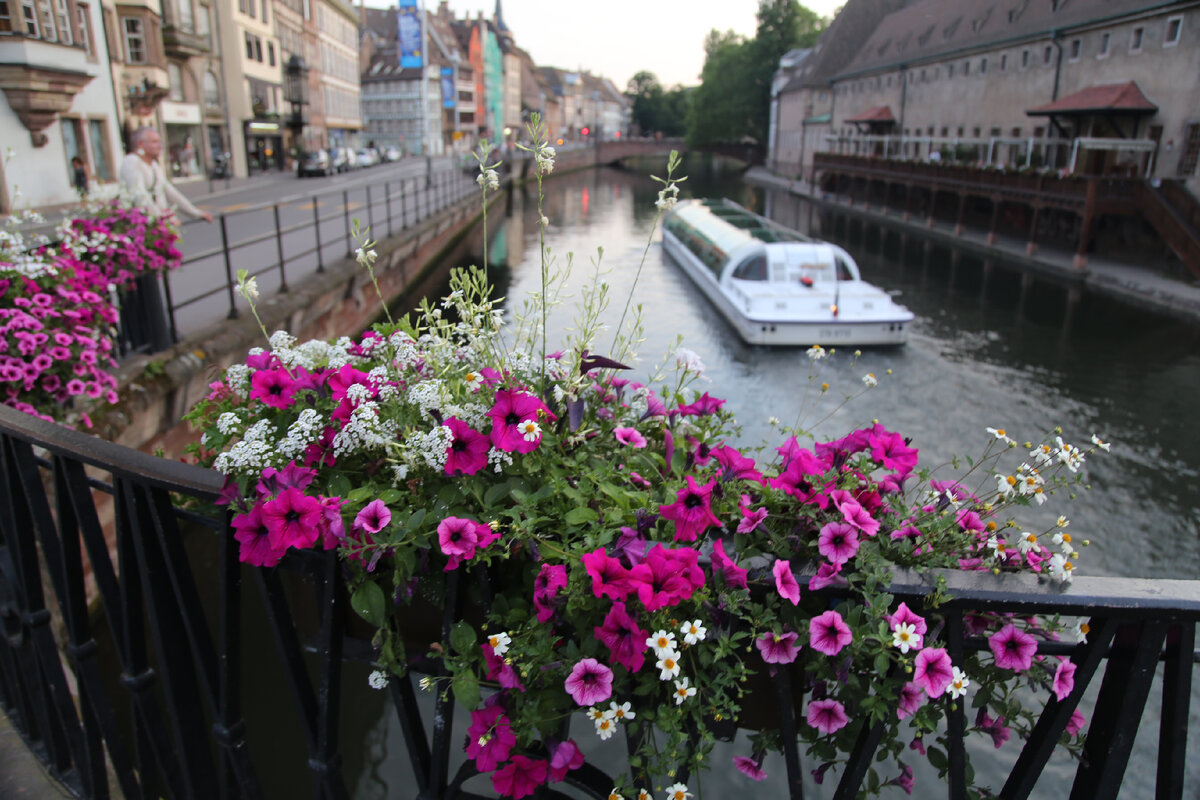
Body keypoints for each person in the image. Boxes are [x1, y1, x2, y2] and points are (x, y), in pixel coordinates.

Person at [119, 126, 213, 223]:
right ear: (140, 144)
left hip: (160, 225)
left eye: (160, 142)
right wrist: (161, 217)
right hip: (145, 225)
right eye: (154, 142)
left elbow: (170, 192)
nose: (159, 146)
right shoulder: (131, 162)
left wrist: (196, 212)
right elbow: (139, 195)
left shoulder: (154, 165)